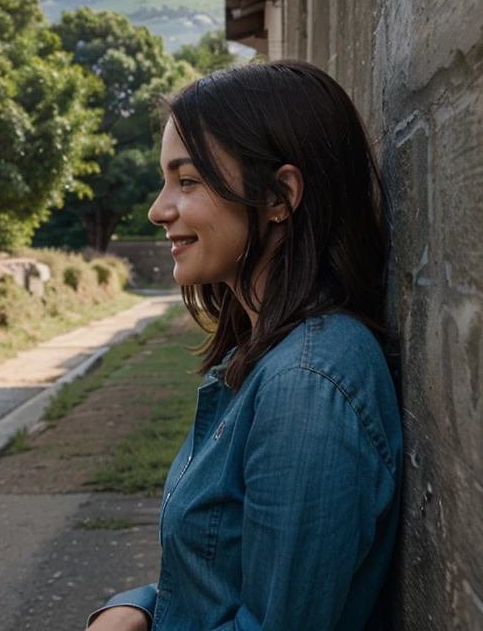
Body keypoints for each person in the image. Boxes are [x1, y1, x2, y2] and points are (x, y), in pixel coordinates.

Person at [87, 61, 403, 631]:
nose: (159, 210)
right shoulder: (268, 358)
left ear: (280, 195)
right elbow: (219, 579)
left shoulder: (306, 387)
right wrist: (139, 606)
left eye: (187, 181)